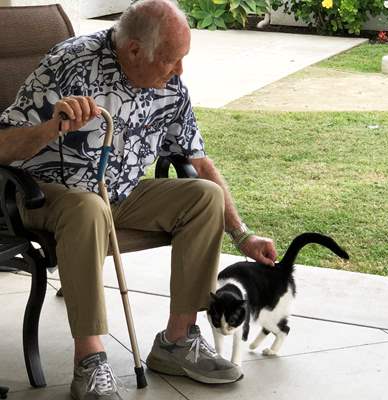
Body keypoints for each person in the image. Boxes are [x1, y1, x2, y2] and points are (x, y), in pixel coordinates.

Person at [0, 0, 277, 398]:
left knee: (204, 196)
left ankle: (176, 342)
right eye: (171, 60)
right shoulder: (70, 65)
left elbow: (197, 160)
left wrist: (243, 235)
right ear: (134, 51)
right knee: (88, 205)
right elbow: (3, 146)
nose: (180, 70)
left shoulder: (168, 82)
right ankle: (90, 361)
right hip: (46, 195)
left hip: (119, 193)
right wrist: (52, 127)